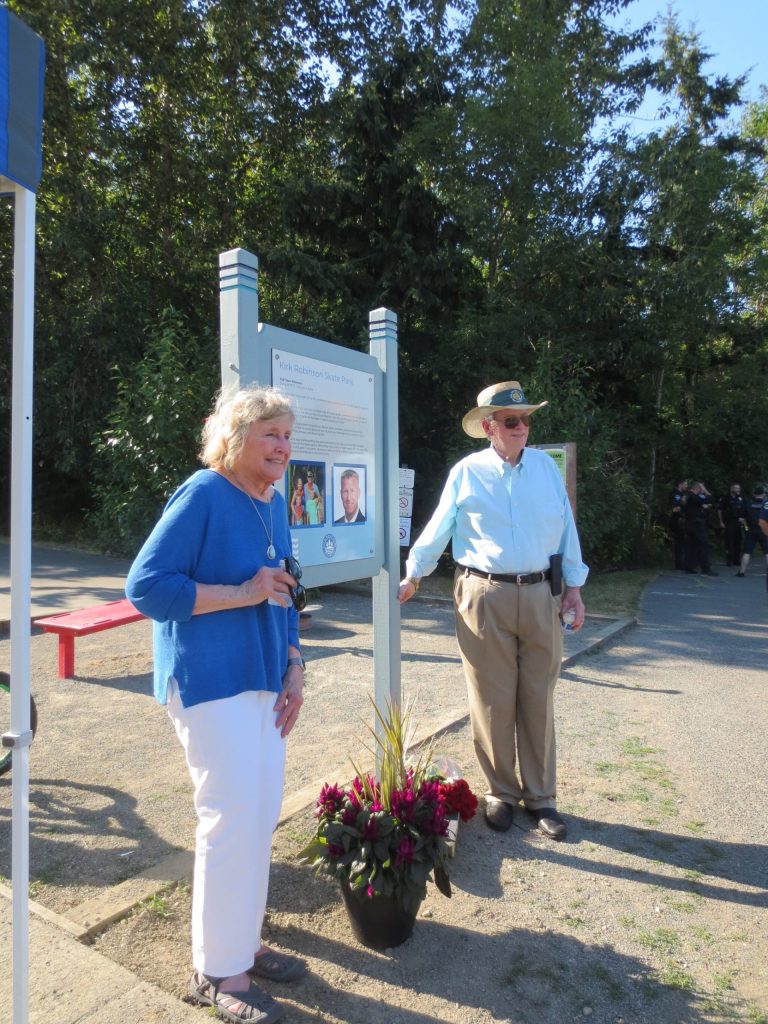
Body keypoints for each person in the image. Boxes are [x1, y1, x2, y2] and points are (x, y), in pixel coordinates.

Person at [126, 385, 306, 1024]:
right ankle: (217, 972)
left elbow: (284, 589)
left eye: (287, 434)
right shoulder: (203, 494)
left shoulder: (274, 502)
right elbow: (145, 587)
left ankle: (242, 943)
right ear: (236, 440)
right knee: (229, 816)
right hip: (206, 680)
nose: (283, 446)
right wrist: (240, 592)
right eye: (270, 435)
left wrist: (293, 666)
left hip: (262, 676)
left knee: (258, 816)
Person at [398, 380, 588, 842]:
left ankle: (541, 797)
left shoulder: (545, 469)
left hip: (542, 592)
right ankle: (501, 791)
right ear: (488, 427)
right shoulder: (466, 472)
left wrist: (575, 590)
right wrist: (414, 573)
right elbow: (439, 525)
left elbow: (566, 530)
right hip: (483, 595)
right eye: (511, 420)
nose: (522, 427)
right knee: (491, 699)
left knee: (538, 697)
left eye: (525, 418)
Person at [683, 482, 717, 575]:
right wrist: (705, 490)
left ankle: (689, 567)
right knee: (703, 546)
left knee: (691, 546)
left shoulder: (689, 496)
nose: (702, 490)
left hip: (690, 524)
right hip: (696, 525)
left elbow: (700, 505)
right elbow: (710, 499)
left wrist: (704, 507)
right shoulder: (693, 496)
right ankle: (706, 569)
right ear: (697, 488)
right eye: (701, 488)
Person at [736, 484, 768, 578]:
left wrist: (745, 524)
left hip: (751, 530)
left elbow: (741, 519)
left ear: (754, 494)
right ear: (763, 495)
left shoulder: (749, 504)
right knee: (767, 552)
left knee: (747, 552)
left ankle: (741, 572)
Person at [718, 483, 747, 567]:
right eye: (736, 488)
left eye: (739, 488)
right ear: (731, 489)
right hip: (729, 522)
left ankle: (736, 559)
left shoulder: (742, 498)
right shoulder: (725, 498)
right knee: (729, 541)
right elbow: (720, 510)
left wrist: (744, 519)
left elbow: (746, 509)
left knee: (738, 541)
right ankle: (729, 560)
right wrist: (721, 521)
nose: (738, 490)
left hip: (739, 522)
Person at [668, 479, 688, 570]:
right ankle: (678, 564)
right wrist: (682, 502)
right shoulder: (675, 494)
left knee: (682, 542)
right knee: (679, 543)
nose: (686, 486)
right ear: (680, 484)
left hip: (682, 520)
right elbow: (674, 508)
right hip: (677, 521)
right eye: (685, 484)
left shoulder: (682, 494)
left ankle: (682, 562)